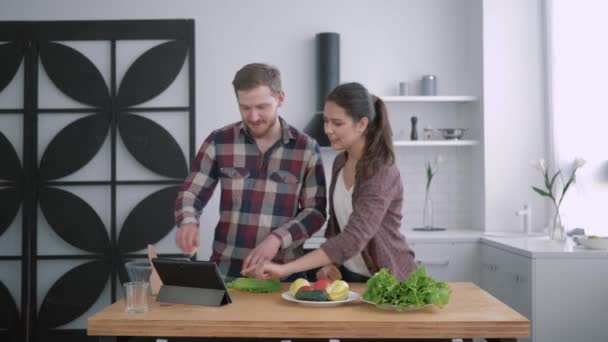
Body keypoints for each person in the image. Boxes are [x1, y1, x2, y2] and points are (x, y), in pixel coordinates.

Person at [244, 82, 417, 283]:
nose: (327, 129)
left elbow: (354, 237)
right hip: (354, 277)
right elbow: (336, 226)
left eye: (337, 123)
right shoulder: (340, 162)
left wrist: (285, 269)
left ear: (361, 124)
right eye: (326, 121)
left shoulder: (381, 171)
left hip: (391, 279)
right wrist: (331, 263)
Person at [174, 63, 327, 280]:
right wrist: (188, 220)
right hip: (227, 273)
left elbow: (316, 212)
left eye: (262, 107)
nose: (253, 117)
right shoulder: (219, 141)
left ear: (280, 99)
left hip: (284, 276)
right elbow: (192, 192)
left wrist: (277, 239)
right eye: (245, 108)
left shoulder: (306, 148)